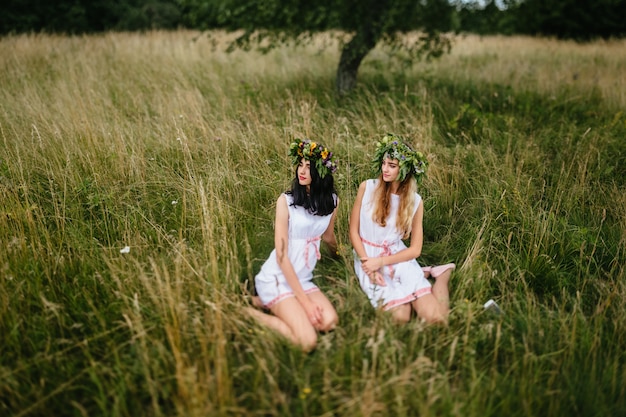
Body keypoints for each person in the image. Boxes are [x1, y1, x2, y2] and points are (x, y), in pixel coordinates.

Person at [350, 133, 455, 324]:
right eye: (384, 163)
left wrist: (382, 261)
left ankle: (442, 275)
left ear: (405, 169)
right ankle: (424, 273)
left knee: (437, 319)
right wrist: (370, 266)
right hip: (368, 255)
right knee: (400, 317)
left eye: (392, 165)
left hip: (397, 256)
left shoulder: (415, 202)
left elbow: (415, 249)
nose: (385, 169)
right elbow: (353, 232)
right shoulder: (367, 187)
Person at [246, 138, 340, 351]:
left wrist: (339, 257)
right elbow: (281, 255)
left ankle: (262, 303)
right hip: (277, 277)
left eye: (309, 167)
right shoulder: (286, 202)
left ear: (321, 174)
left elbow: (328, 237)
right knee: (307, 342)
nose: (302, 171)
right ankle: (246, 312)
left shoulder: (332, 201)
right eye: (300, 165)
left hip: (302, 277)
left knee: (329, 322)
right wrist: (305, 303)